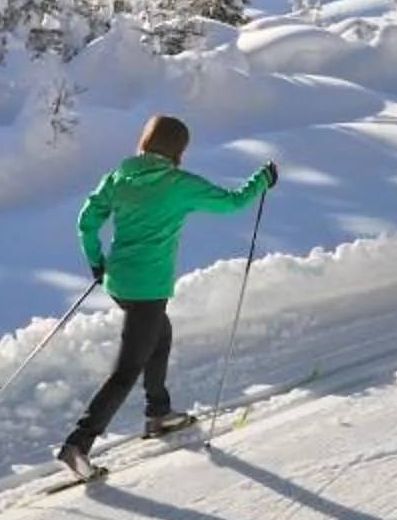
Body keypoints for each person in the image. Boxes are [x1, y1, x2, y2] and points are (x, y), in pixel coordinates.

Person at [58, 115, 276, 479]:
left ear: (145, 141)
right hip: (147, 288)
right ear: (179, 152)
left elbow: (87, 220)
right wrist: (262, 180)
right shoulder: (178, 184)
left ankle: (158, 413)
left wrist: (96, 260)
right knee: (126, 370)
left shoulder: (119, 176)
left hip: (119, 282)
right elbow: (232, 203)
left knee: (160, 336)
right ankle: (78, 444)